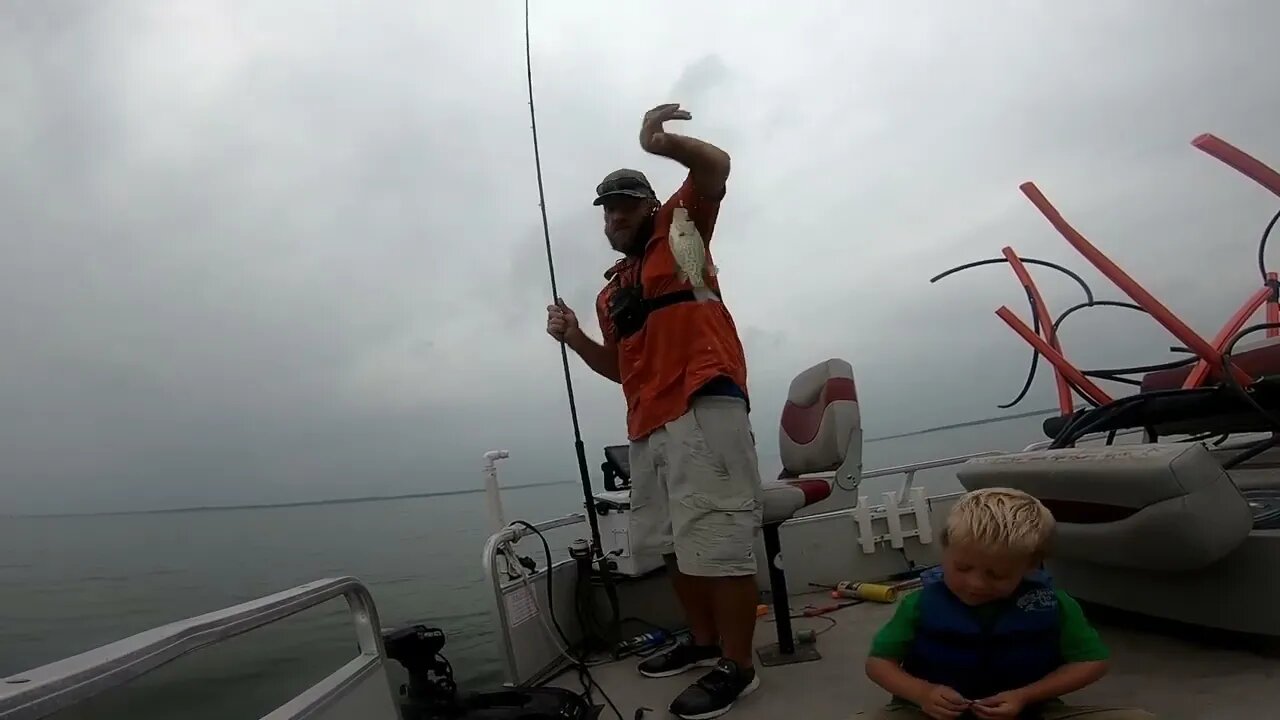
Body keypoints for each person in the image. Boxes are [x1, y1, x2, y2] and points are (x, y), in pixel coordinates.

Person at [545, 103, 762, 720]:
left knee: (719, 543)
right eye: (608, 211)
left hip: (703, 401)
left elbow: (717, 165)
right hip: (646, 422)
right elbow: (615, 368)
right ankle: (702, 643)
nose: (616, 218)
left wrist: (659, 141)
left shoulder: (681, 224)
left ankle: (740, 667)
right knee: (674, 545)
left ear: (648, 206)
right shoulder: (610, 291)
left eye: (625, 206)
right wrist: (575, 337)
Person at [863, 487, 1156, 720]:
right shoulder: (919, 604)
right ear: (945, 550)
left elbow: (1092, 662)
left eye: (997, 574)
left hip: (1030, 710)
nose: (976, 583)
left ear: (1030, 567)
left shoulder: (1055, 605)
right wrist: (922, 694)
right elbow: (879, 663)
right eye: (963, 568)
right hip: (926, 712)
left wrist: (1024, 696)